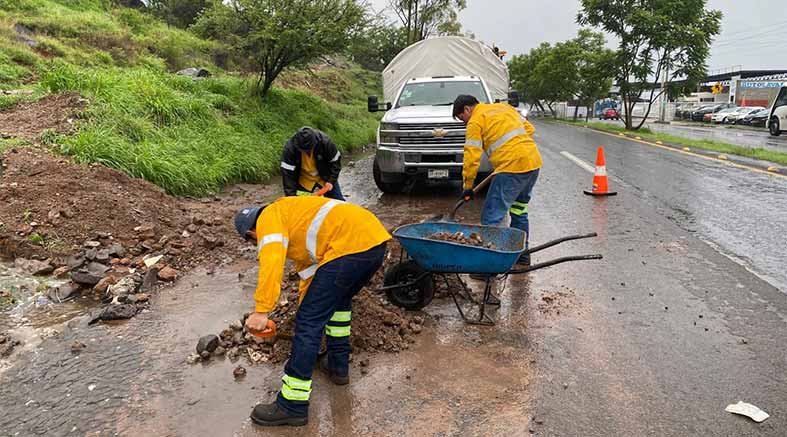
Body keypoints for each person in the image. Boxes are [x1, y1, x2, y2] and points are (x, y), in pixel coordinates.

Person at [234, 196, 390, 426]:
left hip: (349, 247)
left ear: (251, 233)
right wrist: (306, 309)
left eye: (253, 241)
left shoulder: (268, 218)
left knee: (308, 322)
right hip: (372, 243)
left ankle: (292, 405)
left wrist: (262, 310)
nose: (257, 243)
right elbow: (310, 276)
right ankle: (338, 368)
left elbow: (272, 261)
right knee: (338, 304)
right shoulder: (295, 220)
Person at [452, 94, 543, 265]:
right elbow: (529, 129)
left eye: (461, 118)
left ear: (467, 109)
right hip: (532, 163)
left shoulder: (475, 121)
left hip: (511, 168)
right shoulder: (503, 108)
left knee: (491, 217)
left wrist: (468, 186)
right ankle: (522, 255)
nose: (463, 122)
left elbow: (472, 156)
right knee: (519, 210)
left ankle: (488, 266)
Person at [280, 126, 345, 200]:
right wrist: (291, 198)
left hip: (325, 176)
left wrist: (331, 181)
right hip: (304, 180)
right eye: (304, 150)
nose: (307, 152)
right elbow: (288, 176)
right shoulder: (290, 149)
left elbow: (335, 163)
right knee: (302, 205)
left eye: (309, 149)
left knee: (338, 201)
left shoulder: (325, 142)